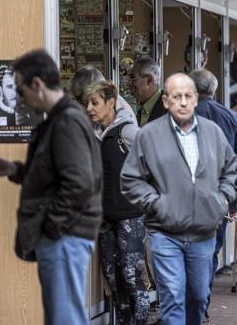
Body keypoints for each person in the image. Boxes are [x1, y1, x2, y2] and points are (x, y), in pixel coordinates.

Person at [0, 49, 102, 325]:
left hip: (64, 236)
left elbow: (78, 184)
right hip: (65, 234)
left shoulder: (66, 122)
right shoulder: (60, 121)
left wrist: (52, 226)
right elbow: (59, 177)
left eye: (21, 90)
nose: (21, 99)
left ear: (37, 85)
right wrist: (15, 170)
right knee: (63, 315)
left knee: (64, 317)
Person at [121, 73, 237, 325]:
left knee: (197, 295)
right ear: (165, 101)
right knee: (172, 297)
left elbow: (231, 170)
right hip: (165, 232)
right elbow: (130, 179)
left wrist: (222, 201)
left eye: (188, 97)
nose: (183, 103)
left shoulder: (212, 133)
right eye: (176, 97)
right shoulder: (149, 135)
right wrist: (156, 203)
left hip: (202, 231)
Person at [83, 80, 149, 325]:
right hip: (106, 219)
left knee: (131, 276)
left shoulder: (127, 132)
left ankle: (139, 320)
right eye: (87, 103)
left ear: (111, 103)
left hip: (131, 216)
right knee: (112, 277)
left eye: (95, 102)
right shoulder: (94, 134)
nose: (89, 108)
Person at [188, 69, 237, 313]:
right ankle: (200, 309)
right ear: (213, 90)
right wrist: (234, 201)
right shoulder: (231, 117)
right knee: (208, 254)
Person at [69, 64, 138, 146]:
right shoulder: (101, 107)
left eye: (82, 100)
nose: (87, 107)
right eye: (84, 102)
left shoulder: (125, 125)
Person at [130, 58, 167, 126]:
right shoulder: (142, 107)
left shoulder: (169, 109)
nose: (129, 84)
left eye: (133, 79)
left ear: (149, 80)